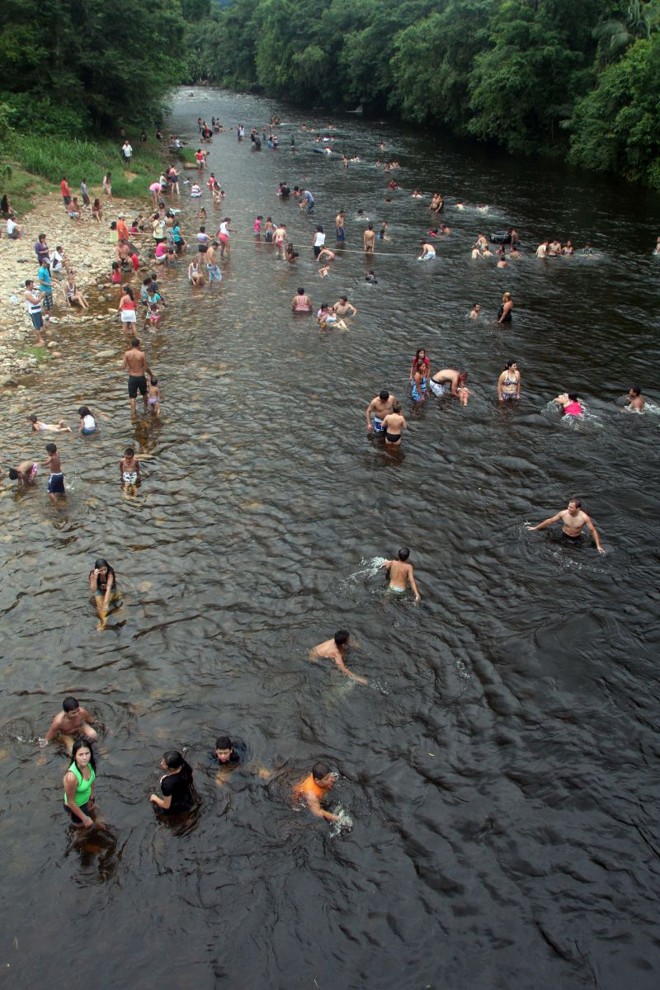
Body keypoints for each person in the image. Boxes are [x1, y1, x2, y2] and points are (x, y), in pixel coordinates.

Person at [527, 498, 605, 553]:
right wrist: (536, 528)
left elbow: (593, 530)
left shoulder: (584, 518)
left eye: (571, 507)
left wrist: (598, 546)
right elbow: (550, 521)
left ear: (577, 509)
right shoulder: (564, 513)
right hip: (563, 534)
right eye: (568, 506)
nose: (568, 509)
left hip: (576, 538)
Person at [63, 739, 97, 827]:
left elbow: (92, 780)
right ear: (74, 756)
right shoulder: (71, 777)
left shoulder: (90, 764)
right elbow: (70, 802)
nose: (85, 757)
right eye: (81, 754)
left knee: (96, 816)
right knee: (81, 829)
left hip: (87, 799)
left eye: (87, 753)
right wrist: (85, 819)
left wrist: (92, 797)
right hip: (76, 806)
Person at [121, 337, 151, 415]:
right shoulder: (142, 354)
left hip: (132, 377)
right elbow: (146, 367)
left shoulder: (127, 354)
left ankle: (133, 413)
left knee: (132, 397)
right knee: (144, 393)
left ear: (131, 345)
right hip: (141, 377)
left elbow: (123, 366)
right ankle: (146, 408)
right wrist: (151, 375)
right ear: (138, 345)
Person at [24, 280, 46, 346]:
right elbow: (34, 302)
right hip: (34, 312)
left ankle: (37, 337)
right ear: (28, 285)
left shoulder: (32, 291)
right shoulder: (27, 293)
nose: (33, 285)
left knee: (40, 325)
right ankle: (40, 339)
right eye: (32, 284)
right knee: (37, 326)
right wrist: (41, 297)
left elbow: (37, 300)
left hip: (38, 310)